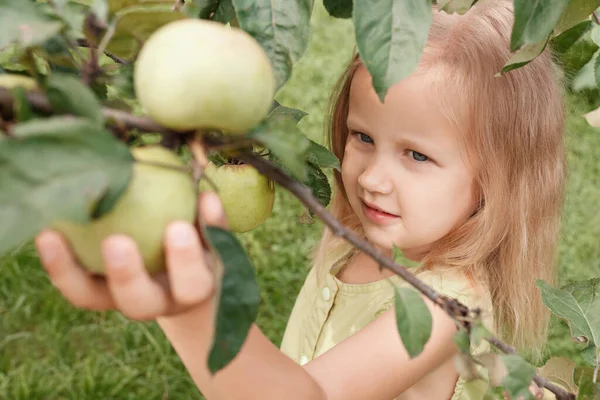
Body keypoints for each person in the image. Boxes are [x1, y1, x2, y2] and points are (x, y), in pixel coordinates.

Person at [33, 0, 567, 398]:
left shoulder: (449, 308)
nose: (373, 179)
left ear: (495, 182)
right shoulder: (356, 237)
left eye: (417, 156)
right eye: (363, 137)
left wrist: (193, 312)